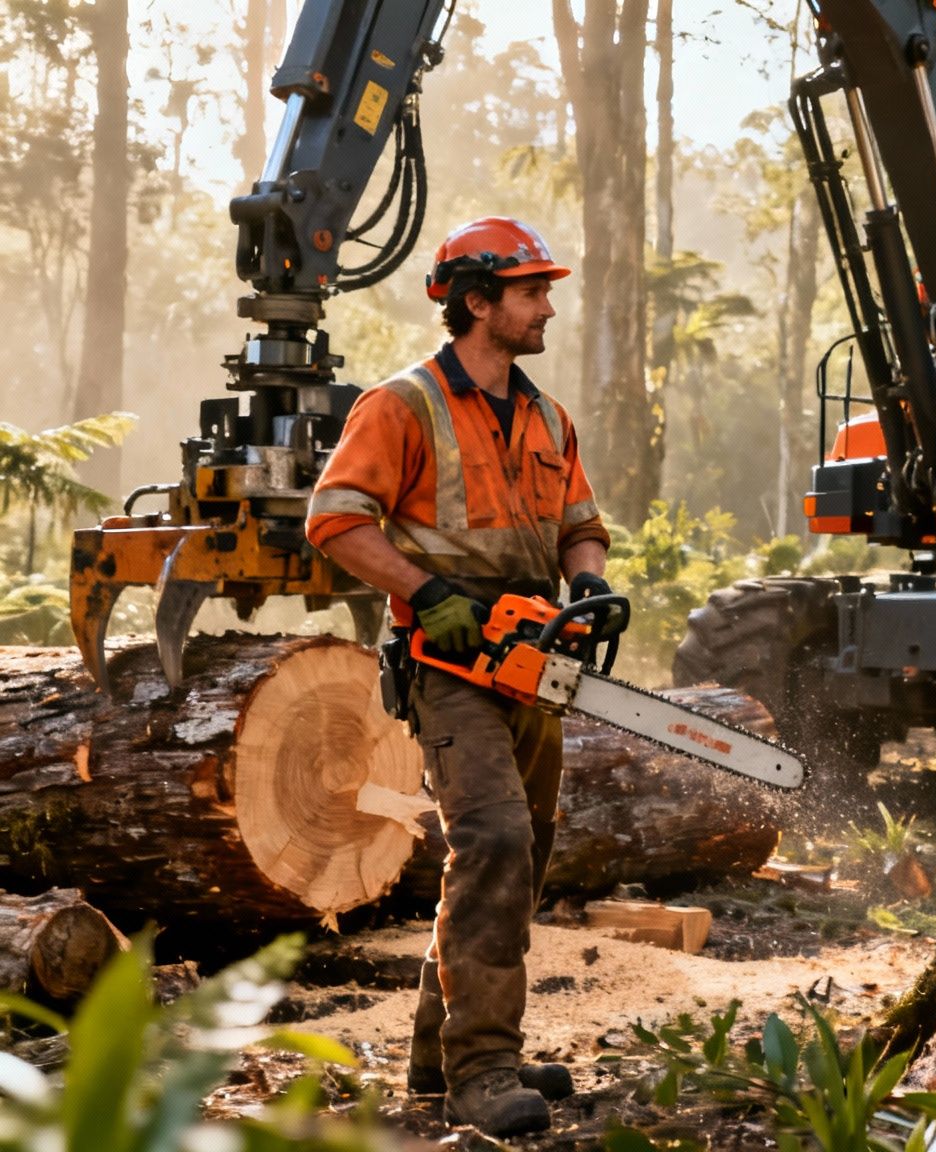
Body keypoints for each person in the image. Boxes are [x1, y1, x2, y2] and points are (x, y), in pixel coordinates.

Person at [306, 216, 616, 1138]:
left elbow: (578, 522)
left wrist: (589, 577)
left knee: (522, 855)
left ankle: (443, 1061)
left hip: (535, 656)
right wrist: (425, 590)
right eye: (530, 292)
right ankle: (484, 1067)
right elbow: (335, 518)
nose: (546, 307)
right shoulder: (400, 406)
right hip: (449, 660)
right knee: (490, 839)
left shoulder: (546, 414)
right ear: (476, 301)